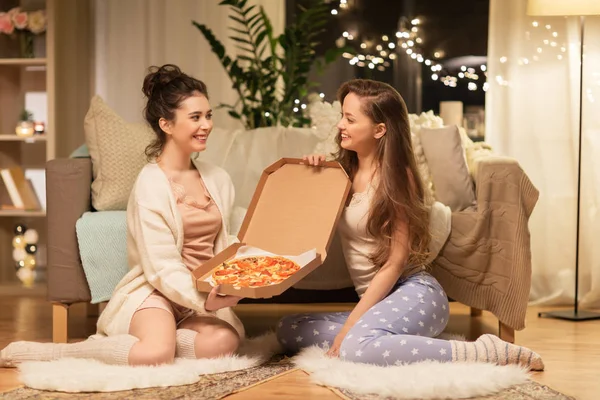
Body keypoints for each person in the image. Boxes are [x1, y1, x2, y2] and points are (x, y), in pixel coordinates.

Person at [276, 78, 544, 370]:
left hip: (416, 294)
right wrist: (311, 173)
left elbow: (395, 262)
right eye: (342, 115)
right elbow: (301, 221)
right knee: (289, 328)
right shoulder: (340, 172)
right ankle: (376, 338)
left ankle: (482, 352)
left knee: (354, 347)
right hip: (377, 303)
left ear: (380, 130)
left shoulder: (397, 178)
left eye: (350, 119)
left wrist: (348, 329)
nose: (340, 125)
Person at [1, 64, 245, 367]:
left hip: (201, 297)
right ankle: (61, 352)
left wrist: (240, 275)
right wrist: (202, 299)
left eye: (208, 115)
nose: (206, 125)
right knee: (154, 354)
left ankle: (163, 338)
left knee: (225, 343)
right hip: (158, 290)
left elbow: (226, 243)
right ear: (166, 125)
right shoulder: (150, 182)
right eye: (195, 117)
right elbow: (160, 266)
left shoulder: (218, 177)